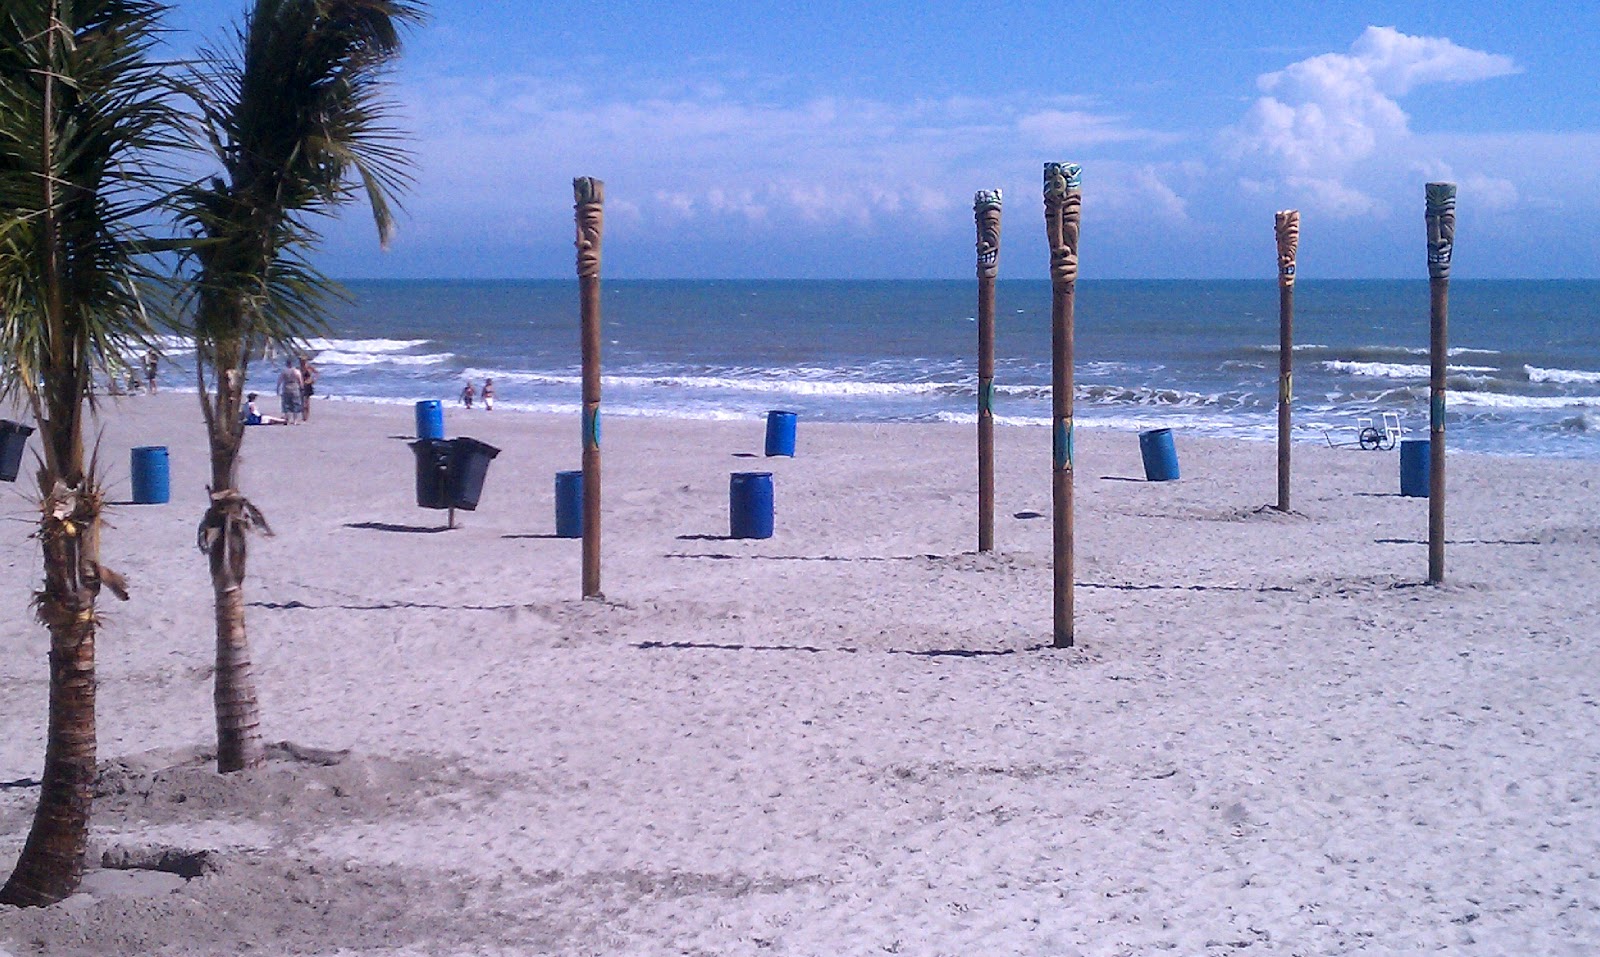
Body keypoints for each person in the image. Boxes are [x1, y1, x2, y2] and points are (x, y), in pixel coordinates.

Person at [276, 357, 304, 423]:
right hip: (295, 388)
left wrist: (277, 388)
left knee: (286, 404)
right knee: (295, 404)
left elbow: (279, 381)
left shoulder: (284, 371)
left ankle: (287, 418)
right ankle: (295, 420)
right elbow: (300, 381)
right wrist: (302, 388)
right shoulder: (296, 371)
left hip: (286, 388)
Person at [298, 355, 318, 422]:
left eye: (303, 360)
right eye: (301, 361)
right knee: (301, 401)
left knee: (307, 401)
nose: (302, 362)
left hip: (308, 385)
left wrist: (313, 380)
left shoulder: (309, 367)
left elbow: (316, 373)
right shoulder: (298, 368)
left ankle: (306, 416)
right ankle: (303, 415)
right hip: (301, 385)